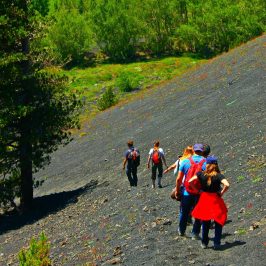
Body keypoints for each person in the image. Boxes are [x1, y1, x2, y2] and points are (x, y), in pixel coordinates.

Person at [189, 156, 229, 249]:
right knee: (218, 220)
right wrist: (221, 193)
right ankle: (216, 243)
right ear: (216, 165)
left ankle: (204, 243)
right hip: (215, 200)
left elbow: (190, 181)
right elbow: (227, 184)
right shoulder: (218, 175)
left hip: (204, 199)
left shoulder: (201, 174)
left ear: (207, 164)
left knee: (205, 221)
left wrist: (198, 191)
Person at [175, 143, 206, 238]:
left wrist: (177, 190)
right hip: (200, 192)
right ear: (202, 151)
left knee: (184, 212)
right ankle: (195, 233)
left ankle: (181, 230)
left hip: (186, 192)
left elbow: (179, 179)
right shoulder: (206, 162)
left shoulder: (185, 161)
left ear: (194, 150)